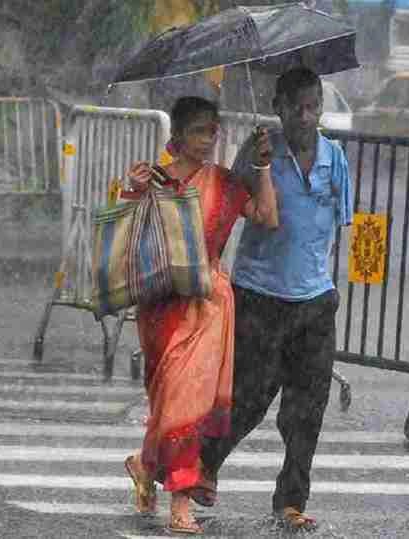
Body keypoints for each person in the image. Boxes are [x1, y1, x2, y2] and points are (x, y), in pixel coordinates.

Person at [199, 66, 353, 531]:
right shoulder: (258, 151)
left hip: (315, 301)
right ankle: (204, 464)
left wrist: (326, 286)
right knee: (248, 398)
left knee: (307, 410)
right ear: (278, 108)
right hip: (259, 296)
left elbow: (338, 225)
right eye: (296, 108)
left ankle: (290, 500)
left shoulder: (335, 159)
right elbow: (228, 207)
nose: (305, 117)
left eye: (313, 107)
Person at [121, 96, 278, 534]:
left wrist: (263, 166)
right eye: (197, 131)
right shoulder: (155, 180)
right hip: (161, 307)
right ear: (177, 136)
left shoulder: (225, 185)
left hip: (207, 306)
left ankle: (180, 502)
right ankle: (146, 464)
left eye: (212, 130)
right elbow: (129, 239)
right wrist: (131, 191)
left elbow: (267, 216)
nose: (207, 139)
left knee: (186, 406)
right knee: (170, 403)